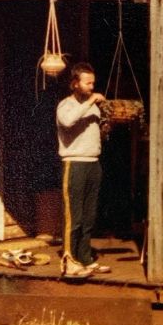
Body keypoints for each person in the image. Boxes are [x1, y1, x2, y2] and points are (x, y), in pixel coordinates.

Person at [55, 62, 111, 278]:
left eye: (93, 83)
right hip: (74, 163)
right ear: (75, 84)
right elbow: (68, 122)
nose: (91, 87)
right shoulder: (65, 105)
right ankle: (69, 262)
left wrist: (105, 127)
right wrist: (90, 102)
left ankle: (85, 258)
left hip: (93, 163)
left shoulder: (93, 107)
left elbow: (96, 132)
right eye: (87, 83)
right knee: (73, 216)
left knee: (89, 216)